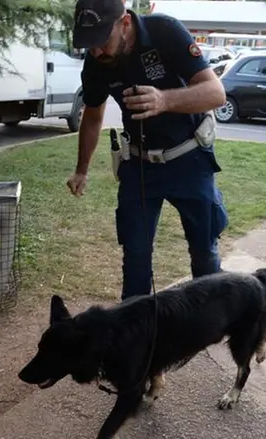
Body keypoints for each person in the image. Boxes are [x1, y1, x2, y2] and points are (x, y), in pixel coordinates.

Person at [66, 0, 229, 302]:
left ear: (124, 23)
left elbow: (216, 93)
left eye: (103, 40)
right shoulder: (97, 60)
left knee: (204, 251)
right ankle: (135, 333)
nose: (97, 51)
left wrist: (164, 101)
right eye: (89, 45)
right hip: (139, 165)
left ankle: (211, 321)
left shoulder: (165, 31)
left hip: (189, 158)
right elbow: (92, 114)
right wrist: (81, 169)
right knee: (136, 257)